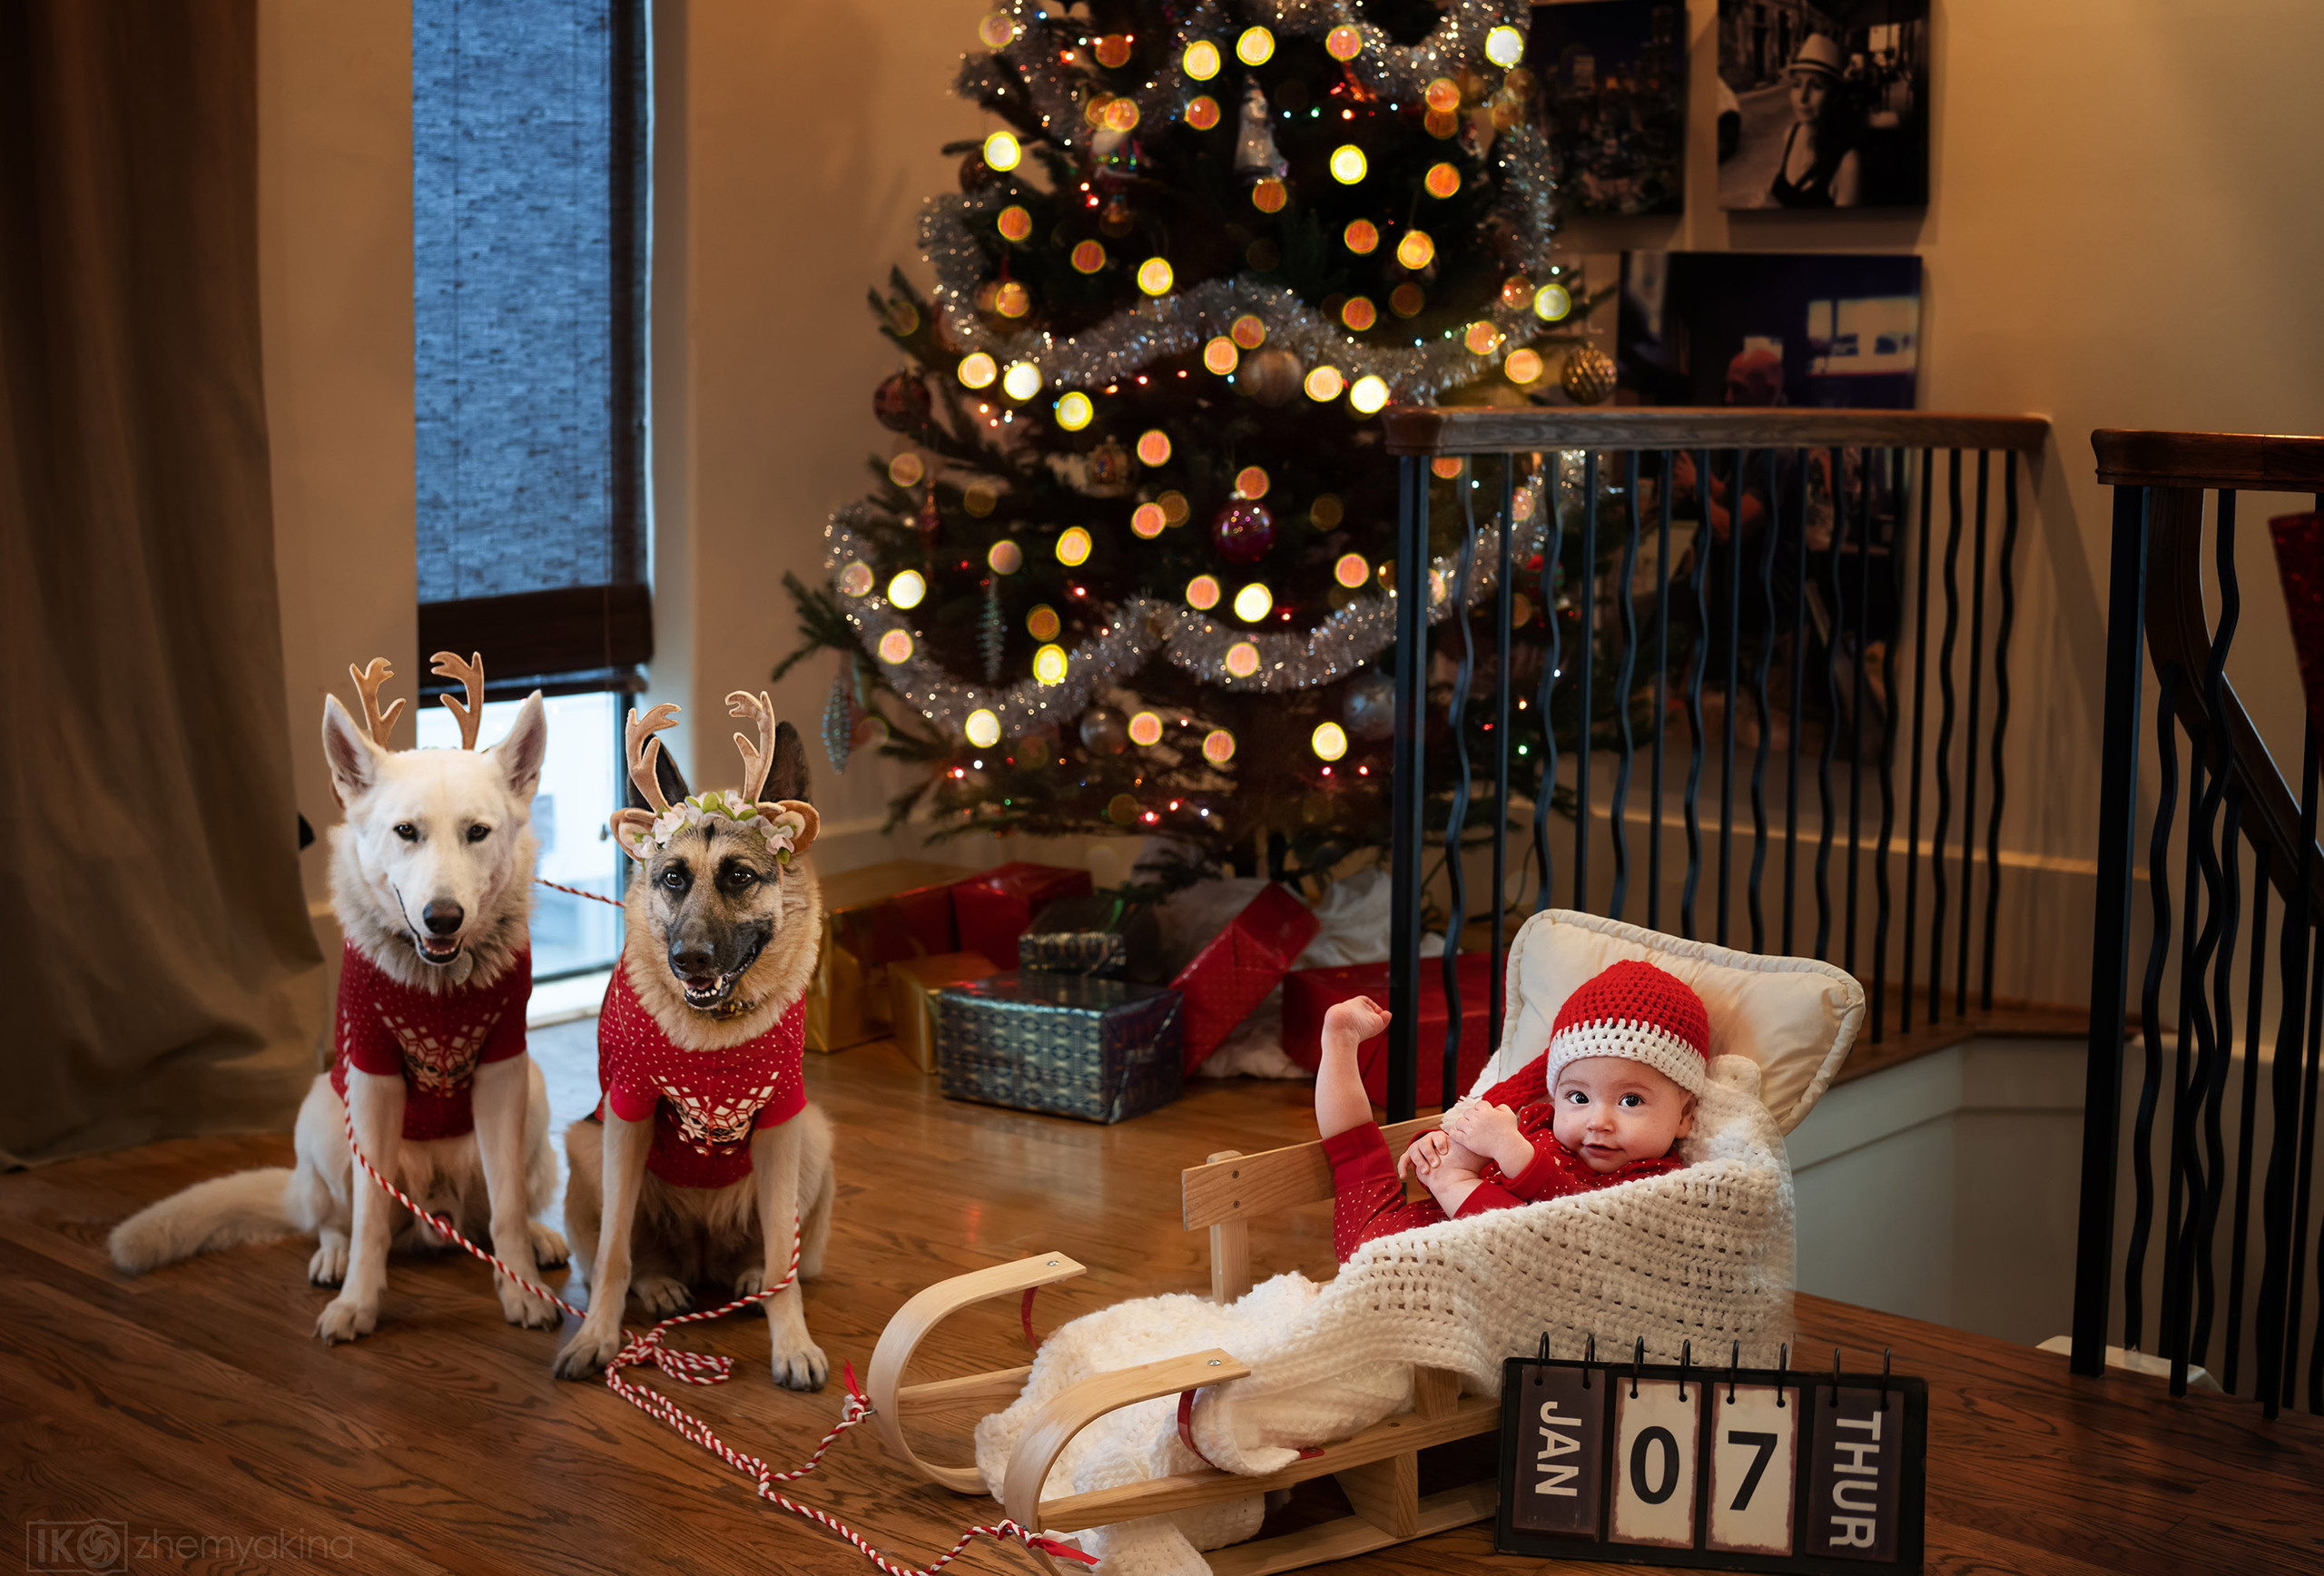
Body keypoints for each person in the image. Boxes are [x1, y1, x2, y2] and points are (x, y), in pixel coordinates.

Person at [1314, 960, 1707, 1263]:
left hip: (1462, 1264)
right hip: (1382, 1237)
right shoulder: (1535, 1124)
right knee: (1357, 1158)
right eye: (1578, 1098)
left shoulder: (1656, 1180)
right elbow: (1469, 1139)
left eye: (1631, 1101)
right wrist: (1436, 1147)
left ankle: (1452, 1184)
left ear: (1685, 1115)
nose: (1597, 1123)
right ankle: (1340, 1042)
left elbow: (1581, 1226)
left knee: (1528, 1236)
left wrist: (1507, 1153)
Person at [1768, 34, 1861, 209]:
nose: (1802, 98)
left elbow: (1846, 233)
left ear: (1835, 96)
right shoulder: (1790, 135)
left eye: (1816, 86)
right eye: (1797, 84)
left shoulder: (1848, 163)